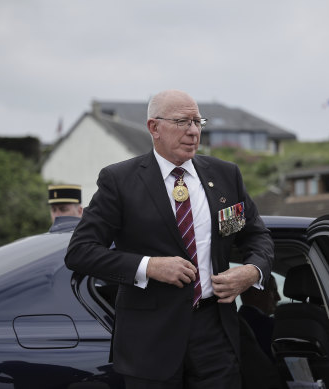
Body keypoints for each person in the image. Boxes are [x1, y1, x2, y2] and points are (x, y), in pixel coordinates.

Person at [65, 90, 274, 388]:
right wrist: (149, 266)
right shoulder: (120, 181)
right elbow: (80, 252)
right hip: (150, 341)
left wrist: (252, 271)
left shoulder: (225, 175)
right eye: (181, 122)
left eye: (197, 121)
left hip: (214, 331)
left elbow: (257, 236)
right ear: (154, 127)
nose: (193, 131)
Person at [238, 275, 280, 361]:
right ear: (256, 292)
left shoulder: (235, 322)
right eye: (273, 290)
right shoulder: (269, 326)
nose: (278, 297)